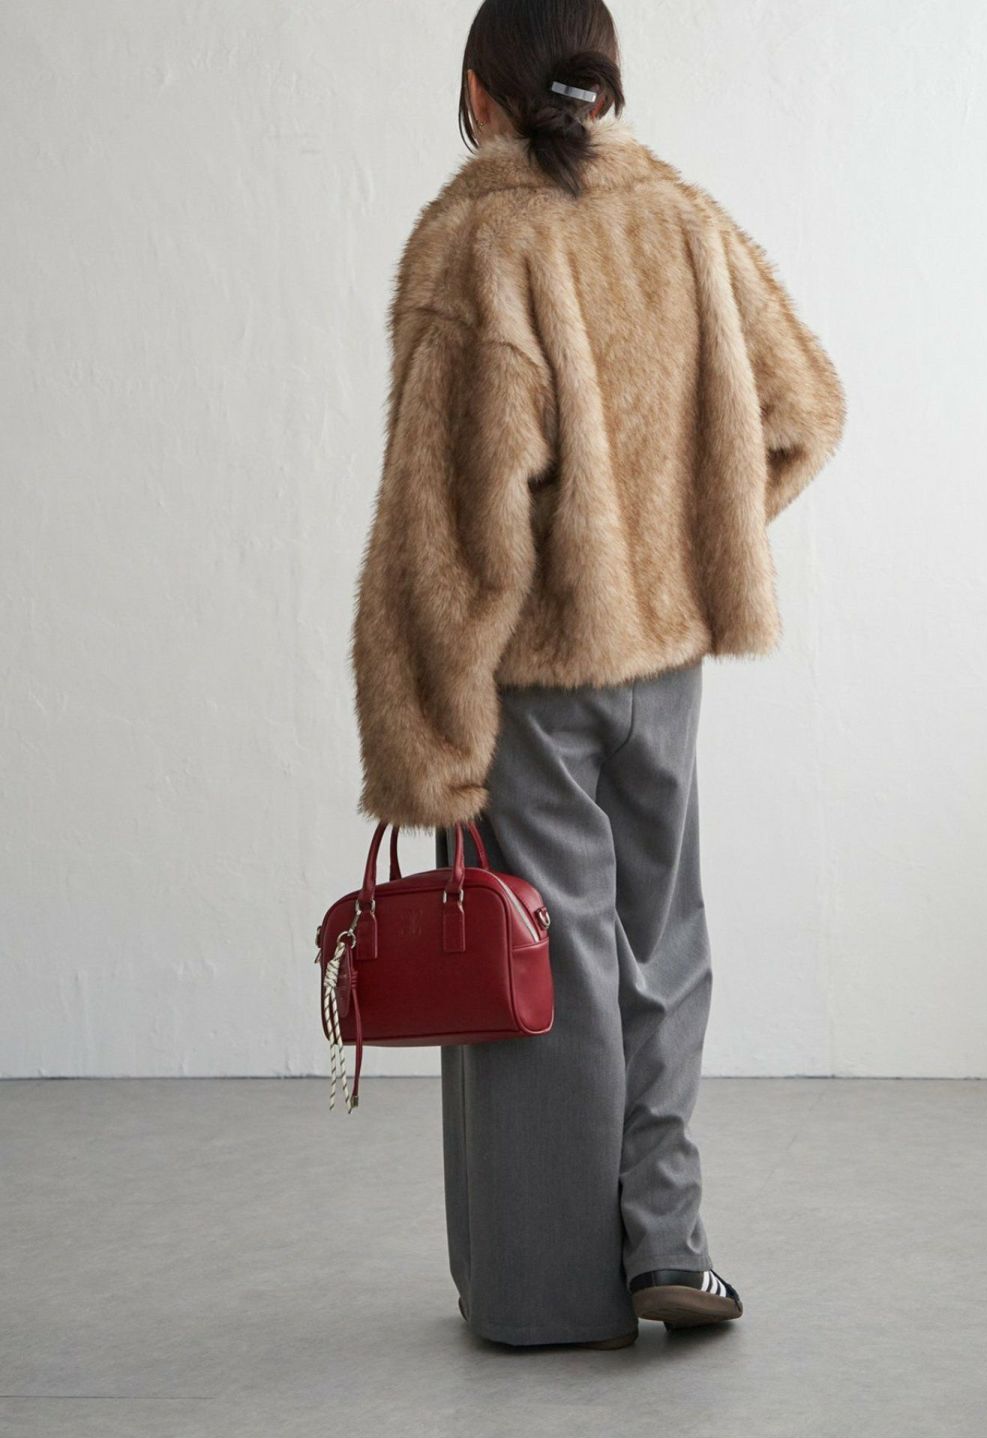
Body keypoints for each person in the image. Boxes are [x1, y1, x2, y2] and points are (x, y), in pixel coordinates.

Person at [352, 0, 846, 1350]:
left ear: (481, 89)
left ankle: (555, 1290)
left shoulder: (478, 241)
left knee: (547, 951)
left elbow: (448, 531)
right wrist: (682, 551)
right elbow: (802, 412)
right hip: (664, 667)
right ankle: (670, 1242)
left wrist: (427, 734)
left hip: (532, 676)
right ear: (602, 84)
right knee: (665, 942)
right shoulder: (683, 220)